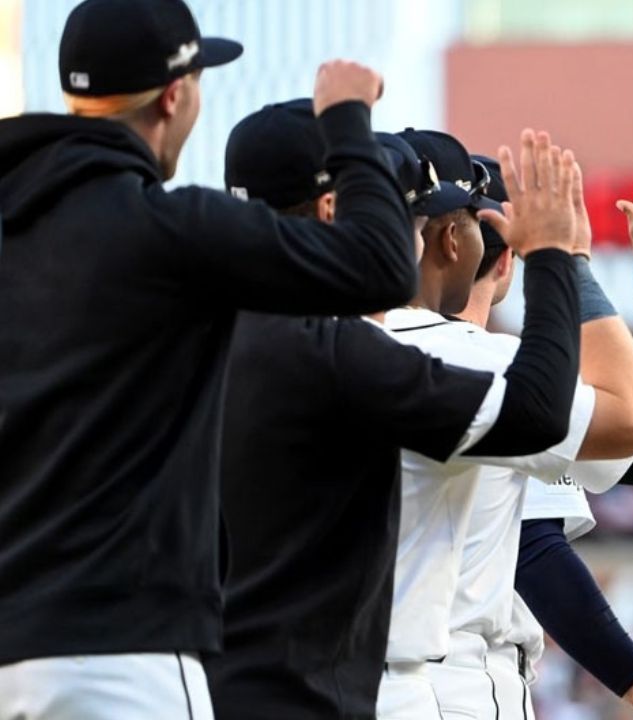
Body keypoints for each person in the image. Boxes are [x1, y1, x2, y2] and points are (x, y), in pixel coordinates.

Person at [0, 0, 422, 716]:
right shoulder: (168, 228)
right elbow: (382, 265)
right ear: (175, 95)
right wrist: (347, 123)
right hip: (125, 658)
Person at [204, 102, 587, 720]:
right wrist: (553, 256)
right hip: (315, 693)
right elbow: (540, 413)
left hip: (196, 685)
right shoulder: (332, 351)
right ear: (333, 211)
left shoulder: (181, 333)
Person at [376, 131, 633, 720]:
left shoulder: (311, 347)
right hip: (447, 683)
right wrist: (572, 262)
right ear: (485, 252)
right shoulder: (488, 366)